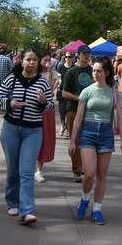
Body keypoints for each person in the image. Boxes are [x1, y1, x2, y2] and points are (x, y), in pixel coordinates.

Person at [0, 50, 52, 224]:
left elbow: (50, 106)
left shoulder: (43, 82)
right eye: (28, 59)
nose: (32, 63)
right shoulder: (12, 79)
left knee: (26, 171)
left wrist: (43, 103)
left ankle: (26, 211)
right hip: (11, 129)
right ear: (22, 61)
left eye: (35, 60)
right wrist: (9, 103)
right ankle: (13, 202)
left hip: (33, 131)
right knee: (13, 170)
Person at [68, 57, 122, 225]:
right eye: (94, 70)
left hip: (106, 133)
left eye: (99, 71)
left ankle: (97, 209)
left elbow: (120, 117)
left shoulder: (114, 92)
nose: (95, 73)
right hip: (88, 131)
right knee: (89, 173)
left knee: (101, 175)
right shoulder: (87, 91)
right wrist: (73, 141)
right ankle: (85, 199)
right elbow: (79, 117)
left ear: (106, 73)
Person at [61, 45, 93, 182]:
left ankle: (86, 166)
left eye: (88, 53)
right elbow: (64, 93)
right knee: (76, 140)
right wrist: (79, 98)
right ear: (78, 55)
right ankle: (77, 170)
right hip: (73, 110)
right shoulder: (71, 72)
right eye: (84, 53)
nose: (86, 55)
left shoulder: (93, 71)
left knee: (89, 141)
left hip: (90, 111)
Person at [35, 53, 59, 183]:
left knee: (45, 138)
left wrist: (49, 72)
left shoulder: (53, 73)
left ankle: (39, 169)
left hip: (46, 108)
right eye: (45, 60)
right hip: (33, 107)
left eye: (49, 60)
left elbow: (49, 90)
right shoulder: (34, 72)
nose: (47, 62)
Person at [56, 52, 75, 138]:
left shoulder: (74, 68)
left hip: (71, 91)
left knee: (69, 110)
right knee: (61, 110)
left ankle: (67, 127)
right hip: (61, 90)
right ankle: (62, 125)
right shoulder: (61, 67)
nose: (68, 58)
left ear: (72, 58)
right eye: (66, 57)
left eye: (69, 57)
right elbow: (58, 79)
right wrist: (53, 88)